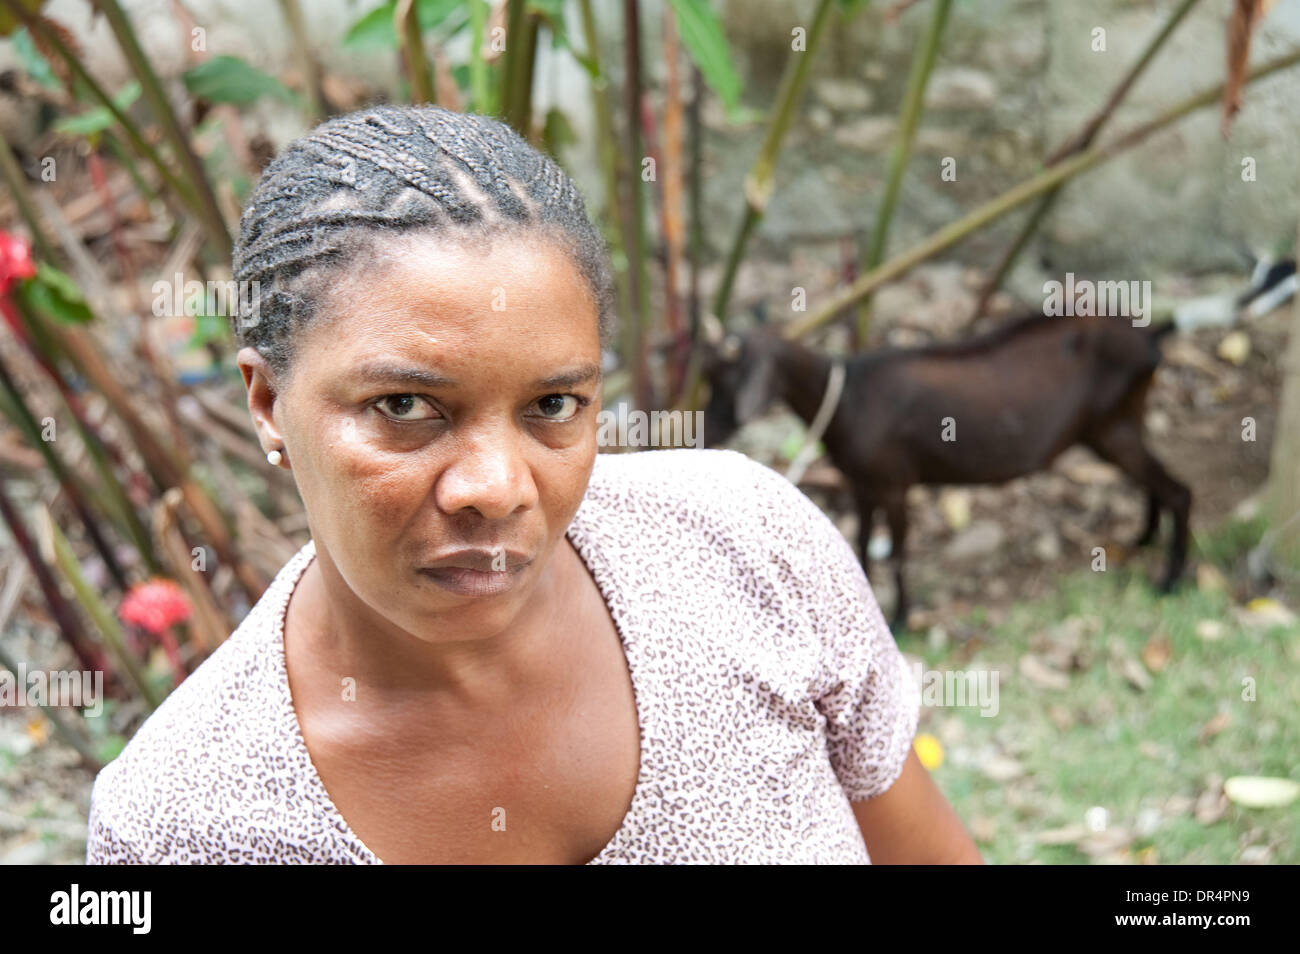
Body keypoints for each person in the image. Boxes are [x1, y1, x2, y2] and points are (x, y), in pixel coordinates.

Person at [85, 104, 981, 864]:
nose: (495, 488)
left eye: (553, 403)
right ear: (270, 402)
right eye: (405, 405)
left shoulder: (747, 550)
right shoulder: (189, 825)